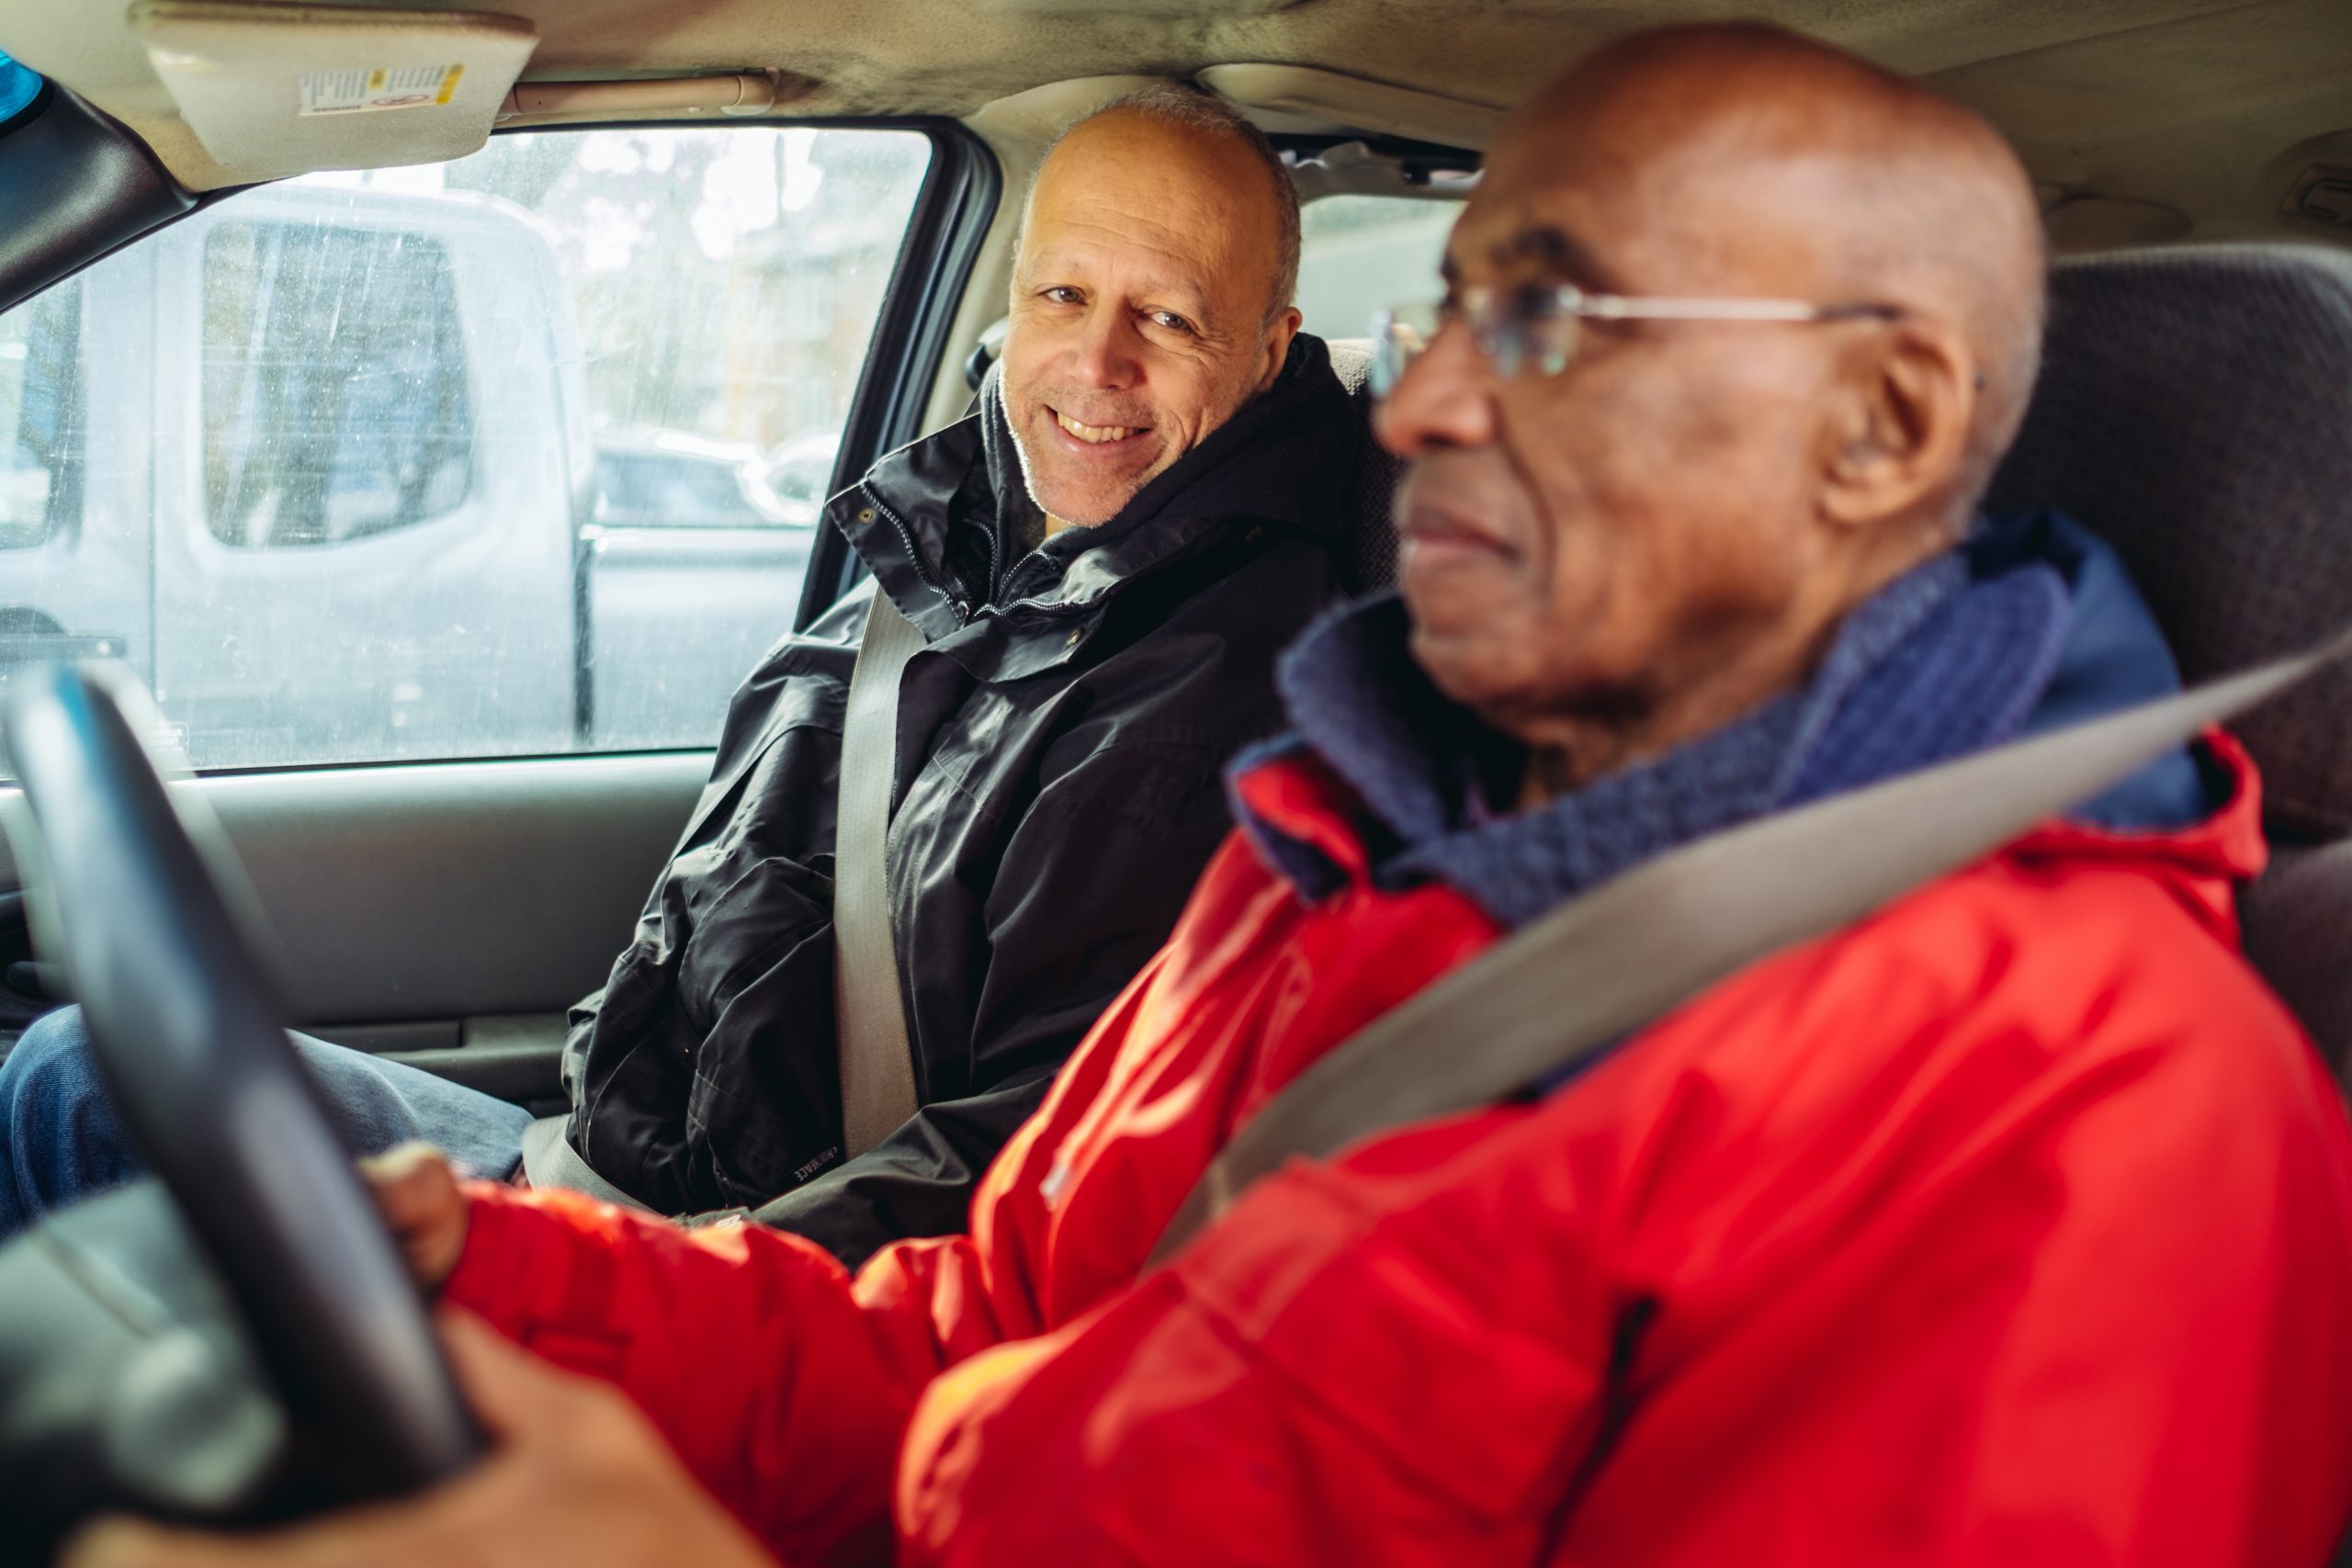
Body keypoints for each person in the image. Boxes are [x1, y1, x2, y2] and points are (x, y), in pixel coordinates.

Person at [70, 23, 2352, 1568]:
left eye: (1545, 323)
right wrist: (531, 1279)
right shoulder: (1349, 855)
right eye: (1446, 308)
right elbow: (963, 1346)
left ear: (1875, 428)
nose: (1426, 401)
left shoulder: (2081, 1115)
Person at [0, 86, 1360, 1263]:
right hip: (618, 1180)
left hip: (757, 1283)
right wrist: (594, 1124)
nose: (1097, 360)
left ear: (1266, 344)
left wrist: (660, 1281)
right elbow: (707, 906)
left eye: (1169, 318)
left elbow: (1028, 1168)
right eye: (1063, 293)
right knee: (77, 1075)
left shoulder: (1239, 695)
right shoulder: (942, 565)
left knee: (77, 1099)